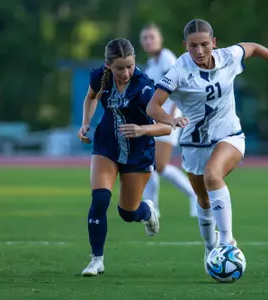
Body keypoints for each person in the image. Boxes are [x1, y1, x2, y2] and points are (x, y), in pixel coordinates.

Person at [146, 19, 268, 272]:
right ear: (184, 46)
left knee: (213, 175)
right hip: (195, 143)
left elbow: (252, 47)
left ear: (213, 42)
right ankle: (211, 248)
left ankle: (227, 241)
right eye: (192, 46)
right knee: (203, 199)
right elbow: (152, 106)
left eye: (203, 45)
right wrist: (171, 119)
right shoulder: (178, 70)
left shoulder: (227, 57)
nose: (199, 51)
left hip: (229, 135)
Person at [77, 38, 172, 276]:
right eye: (120, 67)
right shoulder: (100, 77)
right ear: (108, 65)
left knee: (127, 212)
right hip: (107, 145)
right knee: (99, 200)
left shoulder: (144, 86)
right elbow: (91, 97)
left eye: (129, 66)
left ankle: (147, 212)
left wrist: (142, 129)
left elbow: (166, 127)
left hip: (138, 152)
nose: (126, 72)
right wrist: (86, 123)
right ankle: (96, 260)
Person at [139, 24, 197, 218]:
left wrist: (171, 120)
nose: (148, 41)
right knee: (150, 164)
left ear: (160, 39)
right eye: (145, 38)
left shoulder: (166, 58)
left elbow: (175, 89)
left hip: (168, 119)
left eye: (152, 37)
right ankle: (152, 207)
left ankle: (194, 195)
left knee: (159, 165)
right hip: (155, 120)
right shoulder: (151, 63)